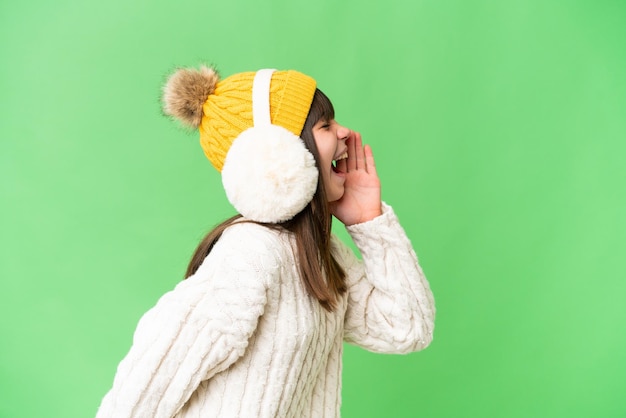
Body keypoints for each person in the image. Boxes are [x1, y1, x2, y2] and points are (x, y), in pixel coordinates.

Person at [95, 65, 435, 418]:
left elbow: (405, 328)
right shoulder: (250, 253)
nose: (345, 133)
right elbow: (143, 389)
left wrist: (369, 221)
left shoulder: (320, 254)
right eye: (325, 126)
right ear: (278, 153)